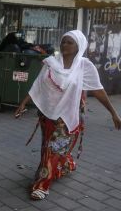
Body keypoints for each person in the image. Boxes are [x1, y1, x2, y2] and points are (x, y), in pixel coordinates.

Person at [15, 30, 121, 200]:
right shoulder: (50, 63)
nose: (64, 45)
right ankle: (64, 165)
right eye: (63, 41)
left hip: (68, 116)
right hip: (47, 113)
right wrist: (22, 103)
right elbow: (38, 85)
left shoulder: (85, 66)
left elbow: (98, 90)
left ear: (79, 46)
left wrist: (114, 113)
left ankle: (42, 184)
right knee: (48, 146)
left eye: (69, 42)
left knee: (53, 149)